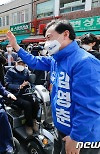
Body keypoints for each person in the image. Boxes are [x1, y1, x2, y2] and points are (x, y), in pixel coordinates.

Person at [7, 20, 100, 154]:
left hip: (81, 138)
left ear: (65, 34)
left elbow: (89, 107)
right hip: (61, 130)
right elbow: (34, 61)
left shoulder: (84, 62)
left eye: (49, 37)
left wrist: (76, 138)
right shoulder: (56, 59)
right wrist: (16, 46)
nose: (47, 42)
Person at [5, 58, 39, 135]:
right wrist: (19, 86)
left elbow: (31, 82)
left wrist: (32, 87)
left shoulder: (26, 71)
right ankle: (28, 124)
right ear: (16, 63)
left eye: (23, 64)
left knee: (36, 101)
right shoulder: (10, 71)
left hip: (25, 93)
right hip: (14, 94)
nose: (21, 65)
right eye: (19, 63)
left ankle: (33, 120)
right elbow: (7, 84)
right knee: (27, 104)